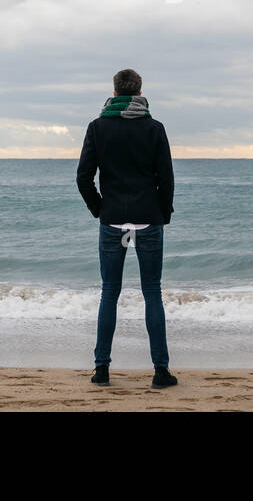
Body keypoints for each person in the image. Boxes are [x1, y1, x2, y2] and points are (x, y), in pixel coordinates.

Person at [76, 68, 177, 389]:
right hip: (148, 218)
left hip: (113, 219)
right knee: (152, 293)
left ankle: (101, 369)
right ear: (139, 92)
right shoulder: (154, 128)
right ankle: (160, 372)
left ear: (115, 90)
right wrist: (163, 213)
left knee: (110, 293)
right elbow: (167, 178)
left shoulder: (98, 127)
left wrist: (100, 208)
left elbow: (83, 177)